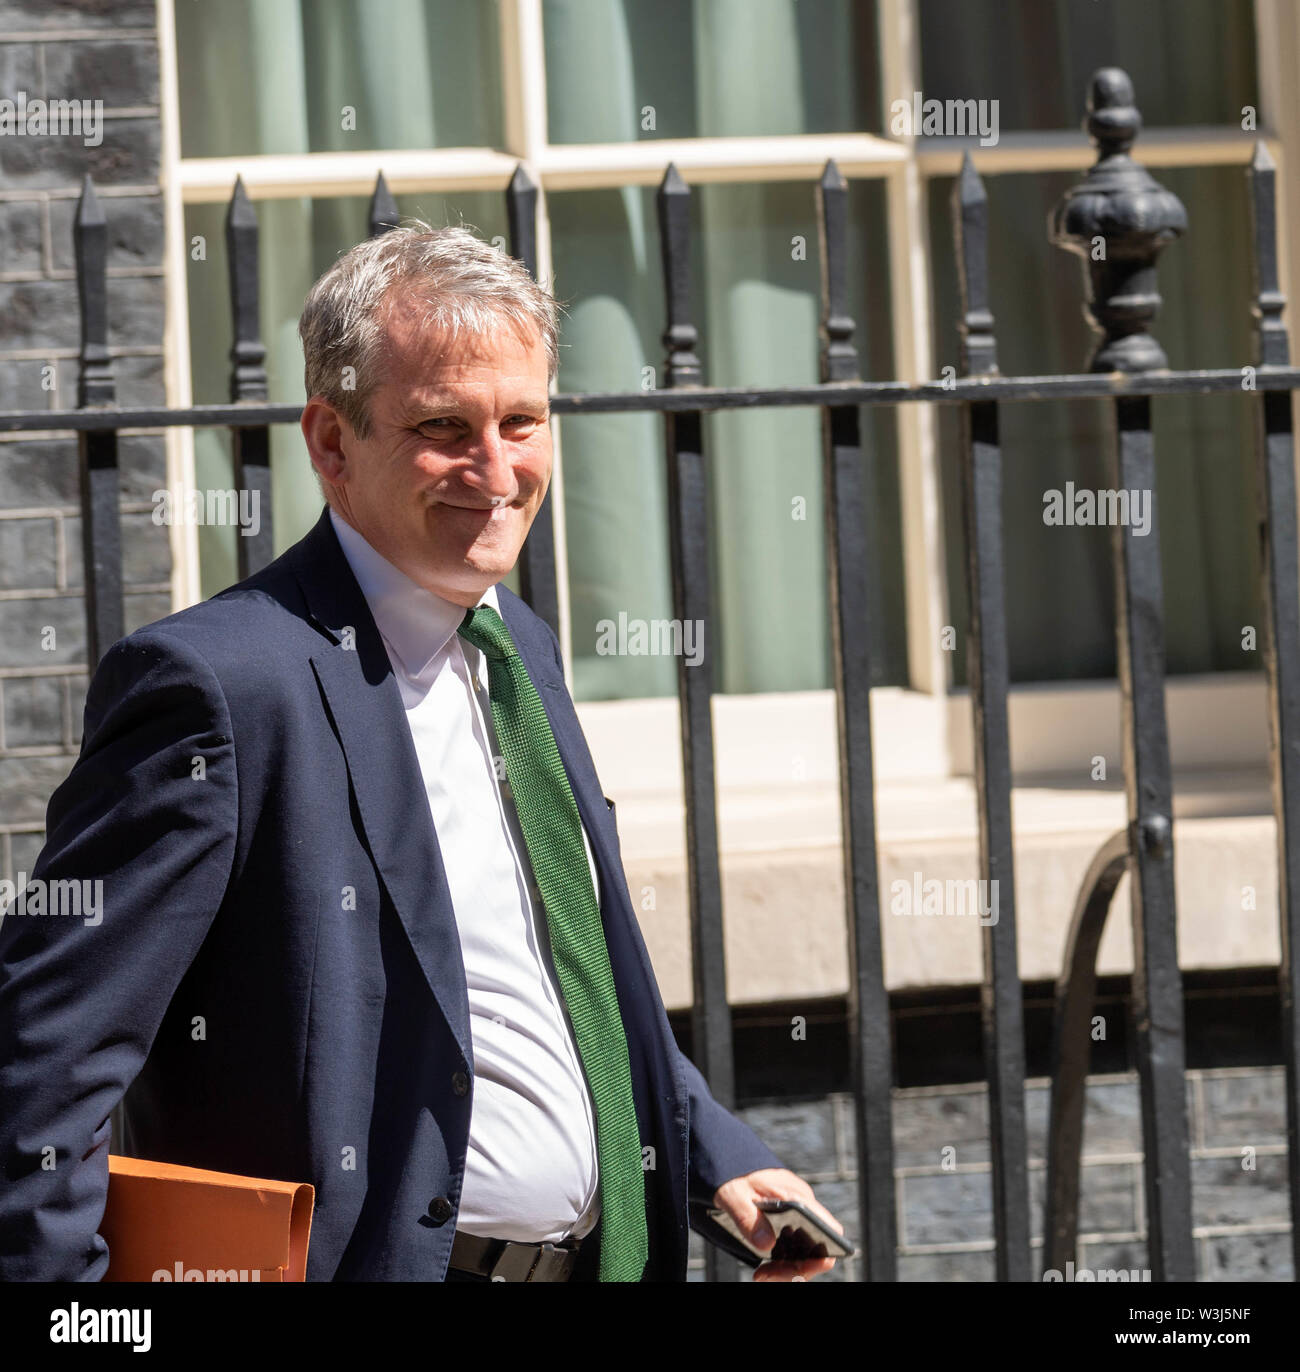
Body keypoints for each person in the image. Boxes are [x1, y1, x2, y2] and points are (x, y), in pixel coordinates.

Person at [0, 223, 844, 1282]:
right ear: (331, 442)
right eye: (444, 426)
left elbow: (543, 971)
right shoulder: (217, 687)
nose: (496, 471)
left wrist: (713, 1151)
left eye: (523, 421)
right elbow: (45, 1056)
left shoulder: (516, 643)